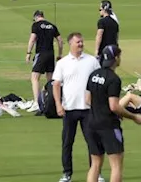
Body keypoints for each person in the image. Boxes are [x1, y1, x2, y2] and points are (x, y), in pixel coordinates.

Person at [85, 46, 141, 182]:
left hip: (92, 124)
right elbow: (114, 106)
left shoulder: (94, 75)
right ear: (116, 58)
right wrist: (134, 117)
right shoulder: (114, 79)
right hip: (108, 126)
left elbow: (87, 100)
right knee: (116, 166)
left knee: (95, 164)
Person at [52, 32, 100, 182]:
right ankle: (67, 174)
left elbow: (98, 81)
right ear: (70, 44)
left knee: (92, 143)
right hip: (69, 109)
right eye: (78, 42)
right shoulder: (63, 63)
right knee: (67, 143)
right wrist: (58, 105)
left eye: (82, 42)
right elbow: (56, 85)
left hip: (88, 109)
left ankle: (95, 173)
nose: (81, 44)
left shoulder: (91, 61)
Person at [27, 10, 62, 113]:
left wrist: (28, 52)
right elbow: (60, 41)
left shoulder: (36, 25)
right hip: (51, 54)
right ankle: (50, 102)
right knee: (50, 80)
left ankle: (37, 103)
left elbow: (32, 39)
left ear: (36, 17)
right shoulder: (52, 26)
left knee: (34, 77)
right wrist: (60, 54)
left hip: (41, 53)